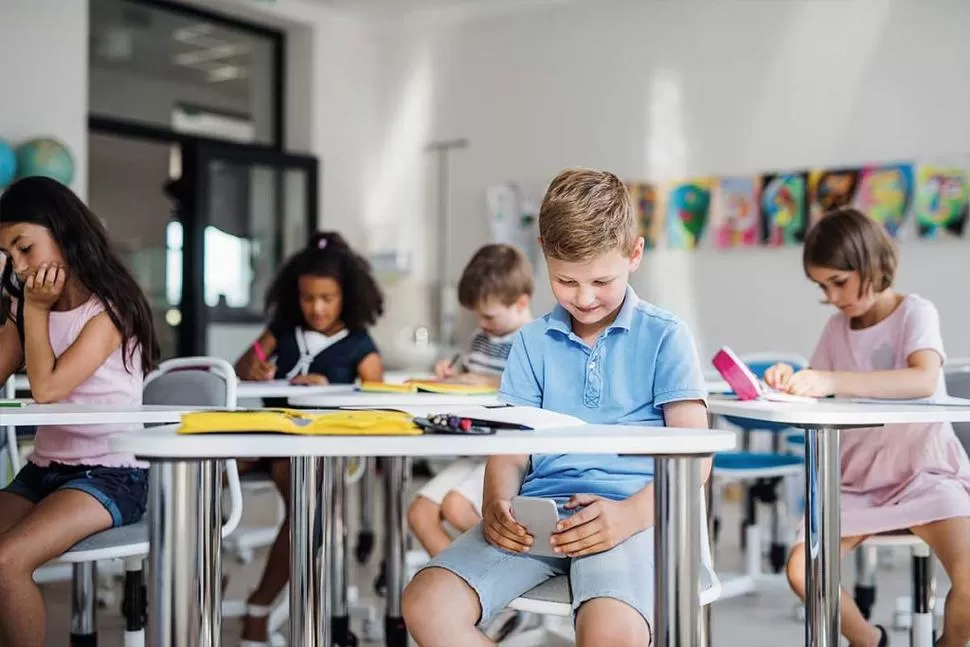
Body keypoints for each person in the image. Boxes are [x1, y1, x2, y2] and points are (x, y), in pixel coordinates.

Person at [402, 168, 710, 647]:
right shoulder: (530, 342)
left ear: (634, 253)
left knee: (611, 634)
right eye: (566, 281)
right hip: (540, 517)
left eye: (600, 281)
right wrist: (495, 502)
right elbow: (510, 450)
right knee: (426, 603)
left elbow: (697, 460)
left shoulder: (666, 336)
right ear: (543, 251)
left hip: (632, 518)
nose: (584, 298)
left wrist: (628, 516)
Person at [765, 207, 970, 647]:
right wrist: (789, 379)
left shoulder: (915, 312)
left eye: (839, 282)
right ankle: (868, 640)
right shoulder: (836, 329)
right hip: (857, 483)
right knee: (803, 571)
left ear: (870, 264)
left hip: (924, 475)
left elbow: (923, 379)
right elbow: (815, 387)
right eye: (823, 287)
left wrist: (831, 380)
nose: (833, 297)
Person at [0, 176, 160, 647]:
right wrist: (20, 309)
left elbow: (47, 389)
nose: (19, 265)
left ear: (63, 231)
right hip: (45, 469)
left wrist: (34, 309)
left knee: (7, 561)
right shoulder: (24, 305)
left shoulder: (109, 312)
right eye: (8, 257)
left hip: (110, 474)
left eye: (24, 248)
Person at [233, 231, 384, 646]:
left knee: (304, 508)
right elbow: (239, 370)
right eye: (307, 298)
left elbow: (376, 407)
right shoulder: (281, 331)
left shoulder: (360, 347)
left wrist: (327, 391)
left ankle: (260, 606)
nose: (316, 308)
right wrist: (256, 369)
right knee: (201, 471)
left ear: (346, 298)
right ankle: (203, 574)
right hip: (266, 433)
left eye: (326, 299)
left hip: (310, 446)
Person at [409, 243, 534, 558]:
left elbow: (524, 388)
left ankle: (502, 582)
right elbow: (469, 375)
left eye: (489, 315)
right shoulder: (482, 341)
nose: (482, 322)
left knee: (456, 506)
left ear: (521, 303)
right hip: (476, 450)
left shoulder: (533, 342)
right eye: (477, 315)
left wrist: (482, 380)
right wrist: (452, 374)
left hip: (507, 455)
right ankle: (469, 596)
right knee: (420, 514)